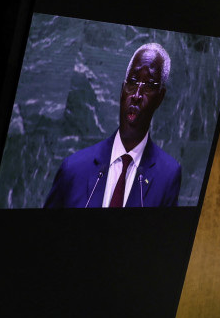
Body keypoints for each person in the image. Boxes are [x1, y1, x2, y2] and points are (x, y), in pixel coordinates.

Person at [44, 43, 183, 208]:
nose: (137, 95)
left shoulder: (167, 175)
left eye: (148, 85)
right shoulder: (73, 169)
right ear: (122, 89)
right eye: (132, 82)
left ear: (160, 97)